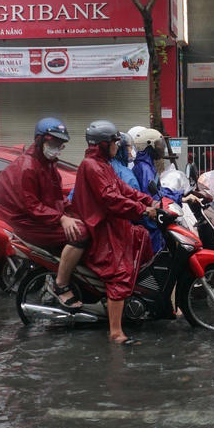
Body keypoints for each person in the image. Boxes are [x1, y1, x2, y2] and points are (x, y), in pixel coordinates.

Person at [69, 120, 158, 345]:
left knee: (141, 238)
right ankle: (116, 332)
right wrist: (142, 209)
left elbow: (122, 188)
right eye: (114, 143)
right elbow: (110, 198)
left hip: (111, 224)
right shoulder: (91, 166)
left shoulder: (104, 164)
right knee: (120, 272)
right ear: (103, 144)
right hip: (99, 227)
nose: (118, 147)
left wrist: (148, 200)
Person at [0, 117, 89, 308]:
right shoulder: (27, 167)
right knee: (80, 234)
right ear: (39, 140)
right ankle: (60, 284)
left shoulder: (48, 163)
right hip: (29, 223)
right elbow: (31, 205)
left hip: (43, 218)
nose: (57, 148)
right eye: (53, 143)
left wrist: (74, 212)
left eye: (60, 144)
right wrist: (61, 218)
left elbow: (56, 197)